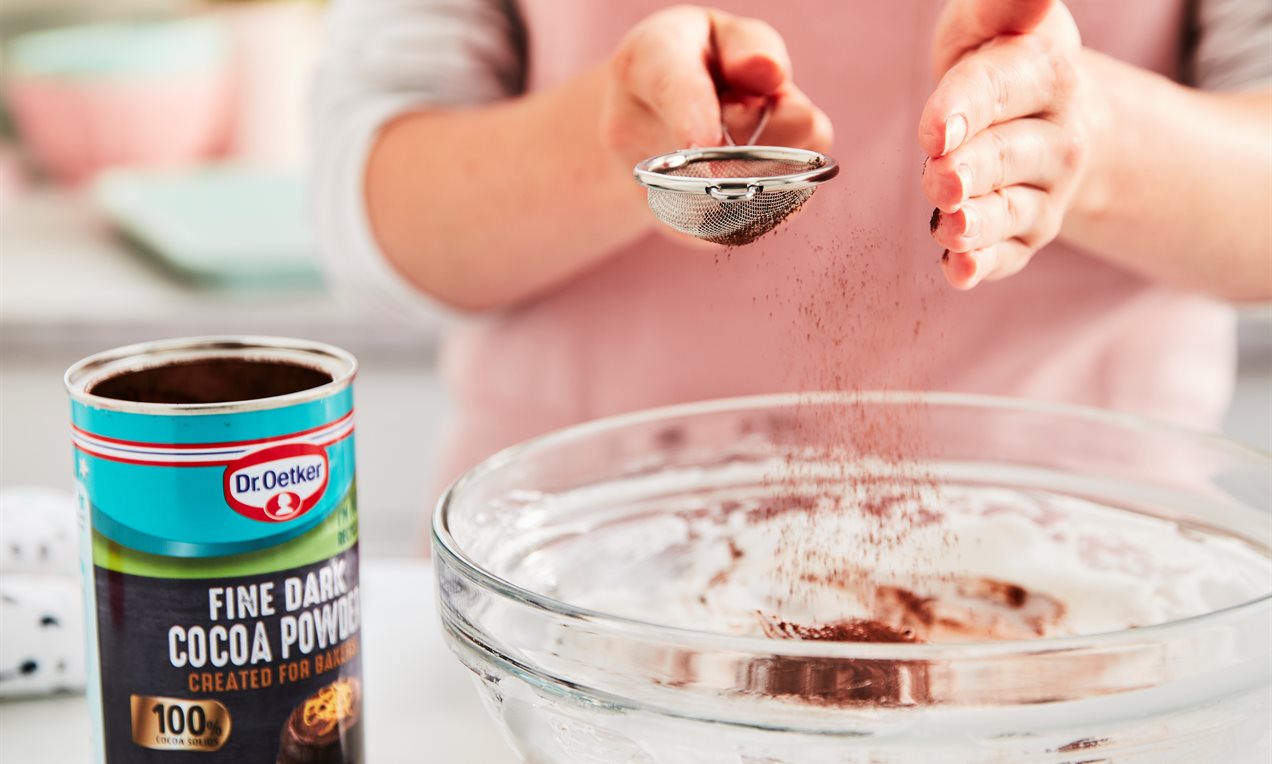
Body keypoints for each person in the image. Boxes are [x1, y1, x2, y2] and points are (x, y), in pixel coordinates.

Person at [311, 0, 1271, 487]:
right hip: (588, 599)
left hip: (1080, 596)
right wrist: (617, 145)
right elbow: (371, 208)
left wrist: (1087, 141)